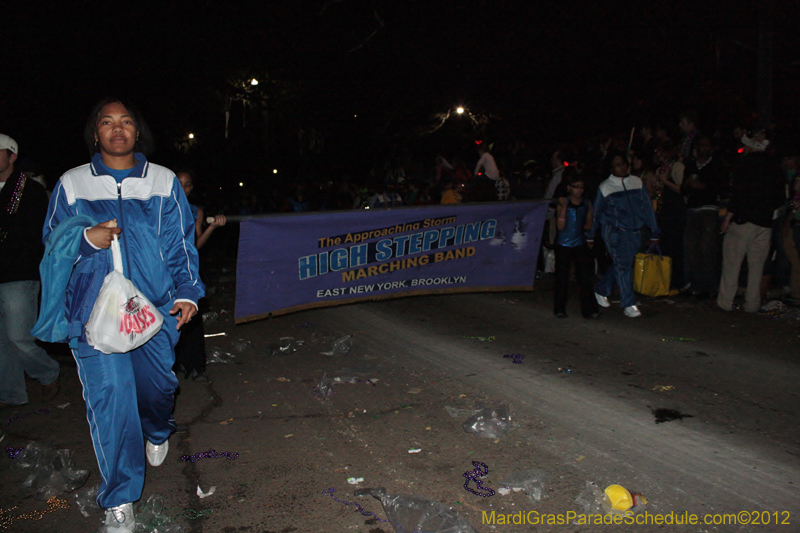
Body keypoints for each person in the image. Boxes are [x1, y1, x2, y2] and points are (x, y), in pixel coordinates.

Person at [38, 99, 203, 532]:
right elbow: (52, 247)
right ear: (95, 133)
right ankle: (120, 498)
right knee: (112, 401)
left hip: (153, 313)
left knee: (155, 392)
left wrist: (187, 293)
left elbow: (181, 245)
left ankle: (156, 428)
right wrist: (86, 241)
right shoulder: (72, 184)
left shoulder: (163, 182)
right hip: (92, 318)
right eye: (107, 122)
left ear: (137, 131)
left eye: (126, 122)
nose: (117, 129)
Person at [0, 134, 61, 409]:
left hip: (18, 273)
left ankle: (47, 371)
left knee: (19, 336)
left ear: (11, 156)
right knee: (2, 340)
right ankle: (12, 392)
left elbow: (37, 235)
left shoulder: (30, 190)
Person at [717, 131, 785, 313]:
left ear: (751, 147)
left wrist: (728, 218)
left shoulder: (746, 164)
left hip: (744, 221)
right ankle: (752, 304)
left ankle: (725, 302)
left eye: (746, 145)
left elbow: (738, 193)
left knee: (732, 263)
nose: (744, 148)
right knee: (756, 266)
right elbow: (780, 197)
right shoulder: (775, 166)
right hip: (765, 223)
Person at [587, 152, 660, 318]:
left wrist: (654, 230)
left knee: (623, 263)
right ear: (611, 168)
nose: (621, 167)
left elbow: (647, 208)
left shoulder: (636, 182)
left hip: (635, 231)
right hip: (615, 231)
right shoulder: (605, 186)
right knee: (623, 265)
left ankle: (601, 289)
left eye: (623, 163)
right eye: (617, 164)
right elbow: (597, 213)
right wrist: (591, 235)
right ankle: (628, 304)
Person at [173, 170, 226, 382]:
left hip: (188, 268)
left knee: (192, 317)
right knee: (171, 316)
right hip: (165, 270)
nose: (183, 188)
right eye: (179, 183)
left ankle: (197, 365)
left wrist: (212, 227)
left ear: (191, 188)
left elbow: (195, 245)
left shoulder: (196, 210)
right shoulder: (160, 206)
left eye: (187, 185)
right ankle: (177, 363)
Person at [553, 172, 599, 319]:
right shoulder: (563, 202)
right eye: (576, 187)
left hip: (579, 242)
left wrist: (588, 234)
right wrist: (564, 208)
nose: (579, 190)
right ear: (569, 188)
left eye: (581, 187)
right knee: (562, 277)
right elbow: (560, 227)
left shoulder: (586, 203)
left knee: (585, 277)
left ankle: (589, 309)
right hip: (563, 244)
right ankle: (559, 308)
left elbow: (589, 224)